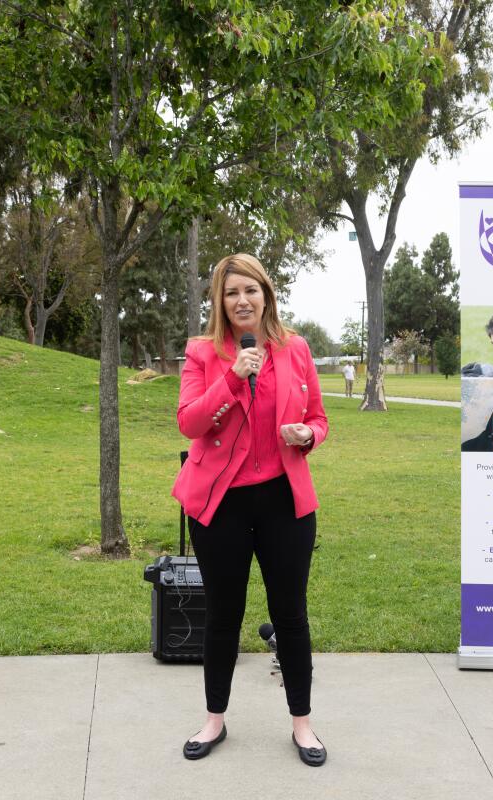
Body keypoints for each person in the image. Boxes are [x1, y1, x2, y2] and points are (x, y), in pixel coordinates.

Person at [171, 253, 329, 767]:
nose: (242, 301)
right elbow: (190, 423)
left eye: (251, 291)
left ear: (267, 295)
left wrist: (309, 435)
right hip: (222, 504)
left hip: (285, 500)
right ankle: (214, 719)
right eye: (231, 293)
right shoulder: (202, 354)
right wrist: (234, 376)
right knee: (223, 614)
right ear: (220, 300)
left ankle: (302, 725)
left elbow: (319, 418)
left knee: (291, 615)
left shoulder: (296, 348)